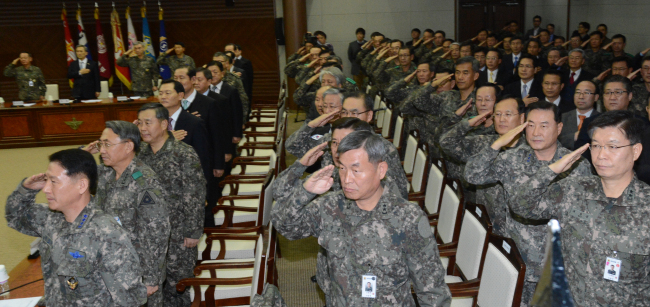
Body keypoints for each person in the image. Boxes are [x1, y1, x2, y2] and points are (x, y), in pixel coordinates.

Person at [271, 130, 452, 306]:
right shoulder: (331, 207)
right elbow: (285, 226)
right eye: (342, 168)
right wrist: (305, 192)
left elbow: (432, 290)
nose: (347, 179)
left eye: (356, 170)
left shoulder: (407, 217)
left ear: (381, 170)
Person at [509, 110, 650, 305]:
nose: (601, 155)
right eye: (596, 146)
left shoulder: (646, 206)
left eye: (612, 146)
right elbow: (520, 205)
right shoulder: (575, 189)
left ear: (635, 151)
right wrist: (552, 170)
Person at [464, 101, 593, 305]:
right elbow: (472, 175)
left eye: (544, 125)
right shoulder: (513, 159)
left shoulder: (576, 166)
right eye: (530, 125)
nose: (535, 132)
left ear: (559, 128)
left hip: (552, 267)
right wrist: (497, 144)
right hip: (515, 261)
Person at [5, 149, 147, 306]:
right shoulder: (51, 218)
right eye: (46, 181)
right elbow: (14, 217)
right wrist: (26, 190)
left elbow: (130, 300)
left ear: (81, 185)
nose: (45, 189)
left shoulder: (106, 234)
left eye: (53, 181)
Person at [81, 121, 170, 306]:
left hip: (136, 274)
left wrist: (151, 278)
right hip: (108, 267)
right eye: (100, 144)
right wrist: (82, 155)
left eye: (107, 144)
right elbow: (73, 177)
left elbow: (157, 233)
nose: (102, 150)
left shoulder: (145, 183)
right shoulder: (106, 173)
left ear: (128, 146)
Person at [135, 103, 207, 307]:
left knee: (177, 286)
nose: (142, 128)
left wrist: (193, 231)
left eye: (148, 123)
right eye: (139, 123)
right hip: (148, 236)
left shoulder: (183, 153)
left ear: (165, 124)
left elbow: (194, 193)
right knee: (152, 286)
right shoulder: (140, 155)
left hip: (178, 234)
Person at [439, 97, 527, 235]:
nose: (502, 119)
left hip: (514, 232)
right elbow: (446, 142)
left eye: (508, 114)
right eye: (497, 114)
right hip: (485, 224)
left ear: (522, 118)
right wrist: (466, 125)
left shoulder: (530, 152)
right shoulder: (484, 143)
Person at [158, 79, 212, 182]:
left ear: (180, 95)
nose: (163, 97)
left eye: (167, 93)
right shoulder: (155, 123)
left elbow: (202, 157)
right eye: (160, 93)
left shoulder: (194, 123)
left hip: (186, 181)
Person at [207, 60, 244, 145]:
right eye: (209, 72)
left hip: (227, 132)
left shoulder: (231, 90)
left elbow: (237, 113)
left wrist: (237, 134)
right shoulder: (204, 90)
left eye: (215, 72)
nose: (212, 75)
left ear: (222, 73)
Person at [558, 80, 600, 149]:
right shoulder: (562, 117)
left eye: (586, 93)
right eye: (578, 92)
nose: (581, 96)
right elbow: (554, 141)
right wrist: (574, 137)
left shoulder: (600, 119)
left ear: (596, 97)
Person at [213, 52, 250, 123]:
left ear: (226, 63)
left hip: (230, 117)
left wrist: (242, 121)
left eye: (220, 62)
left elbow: (243, 100)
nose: (216, 64)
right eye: (214, 62)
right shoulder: (207, 78)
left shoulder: (234, 78)